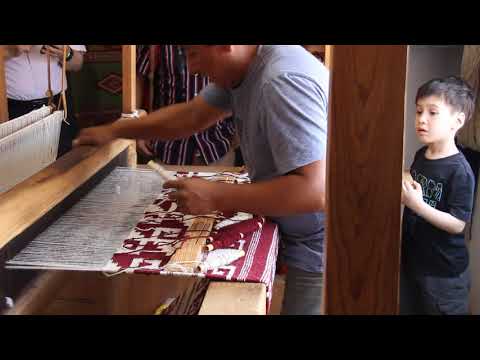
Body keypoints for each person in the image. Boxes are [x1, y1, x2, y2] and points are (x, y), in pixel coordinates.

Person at [74, 45, 329, 315]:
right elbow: (192, 115)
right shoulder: (243, 68)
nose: (192, 68)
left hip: (324, 241)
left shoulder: (281, 81)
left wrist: (217, 196)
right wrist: (116, 130)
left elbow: (314, 192)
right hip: (304, 232)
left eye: (193, 54)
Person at [401, 76, 476, 315]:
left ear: (457, 121)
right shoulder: (422, 154)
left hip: (444, 275)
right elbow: (416, 184)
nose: (421, 119)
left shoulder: (460, 171)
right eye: (419, 110)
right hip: (415, 262)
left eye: (433, 112)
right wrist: (406, 177)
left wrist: (417, 205)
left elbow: (457, 224)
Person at [135, 45, 237, 166]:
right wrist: (137, 127)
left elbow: (240, 76)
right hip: (168, 149)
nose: (192, 68)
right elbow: (137, 78)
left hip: (218, 144)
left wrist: (242, 131)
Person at [4, 45, 86, 158]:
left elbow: (77, 64)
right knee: (19, 166)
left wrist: (67, 54)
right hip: (13, 111)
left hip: (59, 106)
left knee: (64, 162)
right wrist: (7, 51)